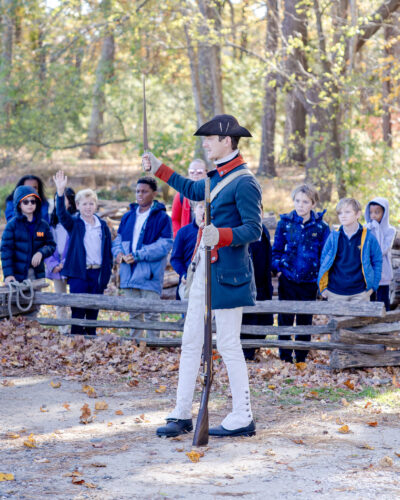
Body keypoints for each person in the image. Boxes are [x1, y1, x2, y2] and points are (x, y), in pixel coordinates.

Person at [143, 113, 262, 439]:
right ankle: (181, 413)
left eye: (210, 138)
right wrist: (159, 168)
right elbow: (192, 189)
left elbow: (254, 229)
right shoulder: (216, 176)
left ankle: (242, 416)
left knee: (227, 344)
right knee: (190, 342)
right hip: (202, 271)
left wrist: (221, 235)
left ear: (227, 140)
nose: (205, 143)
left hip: (227, 276)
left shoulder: (244, 181)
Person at [271, 185, 330, 364]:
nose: (301, 205)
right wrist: (280, 265)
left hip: (309, 280)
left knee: (305, 319)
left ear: (313, 203)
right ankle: (285, 356)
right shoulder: (285, 223)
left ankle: (302, 356)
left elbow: (325, 254)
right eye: (297, 201)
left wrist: (321, 278)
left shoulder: (321, 226)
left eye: (305, 202)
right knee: (285, 318)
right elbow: (277, 250)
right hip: (288, 279)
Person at [112, 177, 173, 339]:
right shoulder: (128, 216)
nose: (140, 194)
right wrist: (119, 255)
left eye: (144, 191)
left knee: (152, 314)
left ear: (154, 193)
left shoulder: (162, 218)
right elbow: (118, 240)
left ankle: (153, 347)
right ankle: (135, 347)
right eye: (138, 191)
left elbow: (165, 245)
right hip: (128, 273)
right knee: (134, 314)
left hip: (149, 274)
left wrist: (138, 255)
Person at [53, 171, 112, 336]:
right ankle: (76, 341)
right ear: (77, 205)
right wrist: (60, 192)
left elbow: (107, 251)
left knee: (93, 312)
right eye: (84, 204)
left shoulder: (102, 225)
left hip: (98, 272)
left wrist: (108, 270)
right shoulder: (74, 223)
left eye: (91, 203)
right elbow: (61, 214)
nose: (88, 207)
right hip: (80, 272)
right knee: (78, 310)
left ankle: (91, 343)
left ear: (96, 205)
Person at [318, 198, 382, 302]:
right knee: (336, 319)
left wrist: (373, 287)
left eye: (347, 212)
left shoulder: (368, 237)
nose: (343, 215)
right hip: (335, 292)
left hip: (360, 293)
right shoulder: (333, 236)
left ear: (358, 214)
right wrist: (323, 287)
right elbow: (324, 260)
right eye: (340, 213)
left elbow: (377, 261)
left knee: (359, 319)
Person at [1, 185, 56, 286]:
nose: (30, 204)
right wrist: (8, 275)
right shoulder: (12, 225)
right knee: (18, 301)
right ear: (19, 204)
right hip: (16, 275)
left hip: (36, 274)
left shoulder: (43, 225)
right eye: (25, 202)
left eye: (33, 201)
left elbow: (51, 245)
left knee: (36, 301)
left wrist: (41, 252)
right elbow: (6, 250)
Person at [241, 214, 274, 361]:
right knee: (246, 317)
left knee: (264, 319)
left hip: (262, 282)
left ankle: (254, 348)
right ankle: (245, 352)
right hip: (245, 282)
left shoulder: (263, 230)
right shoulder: (241, 229)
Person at [45, 188, 77, 334]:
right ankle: (63, 330)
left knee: (76, 299)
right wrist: (53, 265)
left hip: (72, 266)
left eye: (63, 200)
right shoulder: (51, 224)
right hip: (56, 268)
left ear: (70, 202)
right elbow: (46, 245)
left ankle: (77, 327)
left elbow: (75, 246)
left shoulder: (75, 221)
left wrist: (66, 262)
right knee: (60, 300)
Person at [365, 197, 395, 311]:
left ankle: (384, 323)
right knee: (370, 299)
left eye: (377, 212)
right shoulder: (366, 228)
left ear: (385, 213)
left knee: (383, 299)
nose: (373, 215)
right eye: (371, 212)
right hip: (370, 271)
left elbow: (382, 250)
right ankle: (371, 323)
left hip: (383, 271)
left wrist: (377, 230)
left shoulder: (390, 231)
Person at [170, 202, 204, 300]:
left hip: (210, 282)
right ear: (194, 209)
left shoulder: (216, 232)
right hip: (189, 281)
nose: (203, 211)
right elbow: (175, 259)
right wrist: (183, 273)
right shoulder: (183, 232)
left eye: (206, 207)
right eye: (200, 207)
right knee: (189, 313)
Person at [171, 159, 207, 237]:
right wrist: (179, 237)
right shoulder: (181, 195)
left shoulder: (211, 192)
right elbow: (174, 219)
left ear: (206, 172)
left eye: (199, 171)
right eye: (192, 171)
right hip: (187, 239)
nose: (195, 174)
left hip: (207, 239)